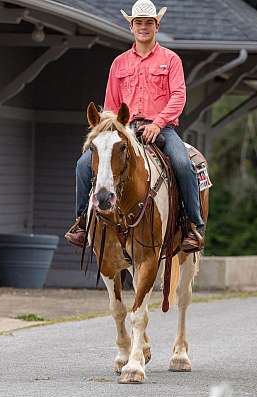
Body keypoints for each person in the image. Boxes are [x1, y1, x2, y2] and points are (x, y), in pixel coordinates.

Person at [65, 0, 205, 252]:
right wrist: (112, 128)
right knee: (83, 165)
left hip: (162, 128)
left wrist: (158, 123)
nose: (143, 27)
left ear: (156, 25)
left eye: (148, 23)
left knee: (183, 164)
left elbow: (179, 97)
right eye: (138, 23)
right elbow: (110, 104)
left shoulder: (171, 60)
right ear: (131, 26)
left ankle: (192, 226)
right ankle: (82, 223)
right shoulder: (119, 63)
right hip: (124, 129)